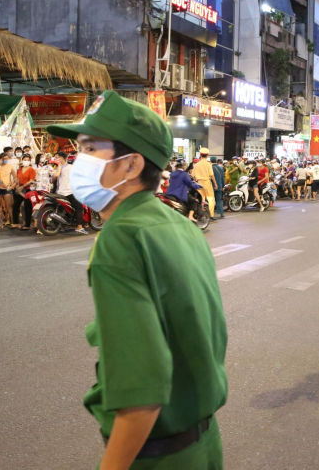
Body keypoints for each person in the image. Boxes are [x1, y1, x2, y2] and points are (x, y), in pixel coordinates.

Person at [45, 91, 228, 469]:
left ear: (131, 166)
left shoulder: (122, 237)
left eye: (91, 148)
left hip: (158, 457)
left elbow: (141, 388)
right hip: (204, 446)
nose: (77, 160)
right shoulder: (178, 224)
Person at [54, 151, 87, 234]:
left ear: (65, 158)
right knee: (79, 207)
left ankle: (64, 225)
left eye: (59, 157)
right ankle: (79, 226)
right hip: (67, 192)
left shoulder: (61, 168)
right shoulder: (69, 167)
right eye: (57, 157)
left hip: (59, 192)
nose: (58, 159)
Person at [192, 148, 217, 218]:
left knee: (201, 198)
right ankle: (211, 215)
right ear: (207, 155)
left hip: (199, 183)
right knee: (211, 198)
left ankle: (201, 213)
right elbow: (212, 175)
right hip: (207, 182)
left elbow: (193, 176)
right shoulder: (208, 164)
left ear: (200, 155)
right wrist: (215, 183)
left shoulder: (196, 165)